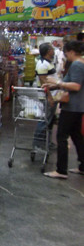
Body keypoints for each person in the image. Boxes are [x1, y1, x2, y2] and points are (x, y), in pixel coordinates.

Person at [43, 40, 84, 179]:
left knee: (61, 136)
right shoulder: (81, 63)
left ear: (71, 52)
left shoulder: (77, 65)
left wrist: (58, 83)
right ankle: (82, 166)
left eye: (66, 53)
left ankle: (61, 170)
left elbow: (76, 86)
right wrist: (55, 86)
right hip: (78, 106)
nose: (66, 56)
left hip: (72, 106)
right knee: (76, 136)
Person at [32, 42, 58, 149]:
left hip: (52, 95)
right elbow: (43, 83)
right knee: (44, 120)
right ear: (48, 51)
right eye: (52, 49)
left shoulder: (48, 62)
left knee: (49, 120)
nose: (54, 50)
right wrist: (50, 97)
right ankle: (37, 143)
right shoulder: (42, 64)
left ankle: (47, 142)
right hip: (47, 96)